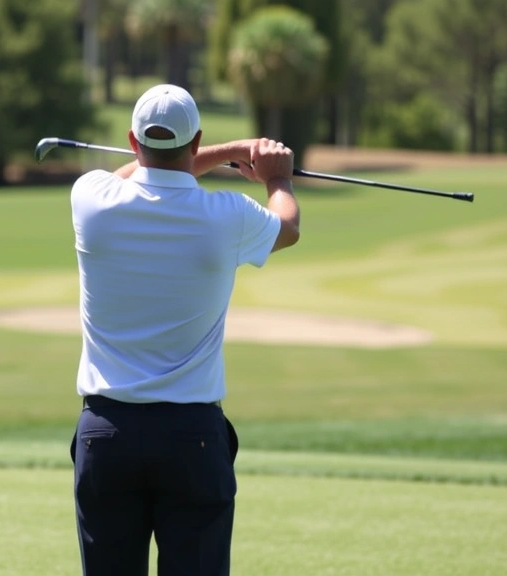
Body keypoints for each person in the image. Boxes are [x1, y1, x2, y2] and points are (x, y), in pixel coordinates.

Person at [68, 83, 300, 576]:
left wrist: (228, 153)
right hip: (191, 439)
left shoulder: (90, 199)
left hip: (105, 436)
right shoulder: (227, 216)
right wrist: (276, 178)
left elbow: (140, 175)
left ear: (131, 141)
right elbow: (288, 227)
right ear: (195, 143)